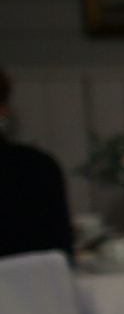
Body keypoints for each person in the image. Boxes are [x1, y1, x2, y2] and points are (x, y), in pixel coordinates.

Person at [0, 67, 76, 259]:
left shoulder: (36, 167)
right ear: (5, 108)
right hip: (31, 286)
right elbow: (60, 251)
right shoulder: (38, 166)